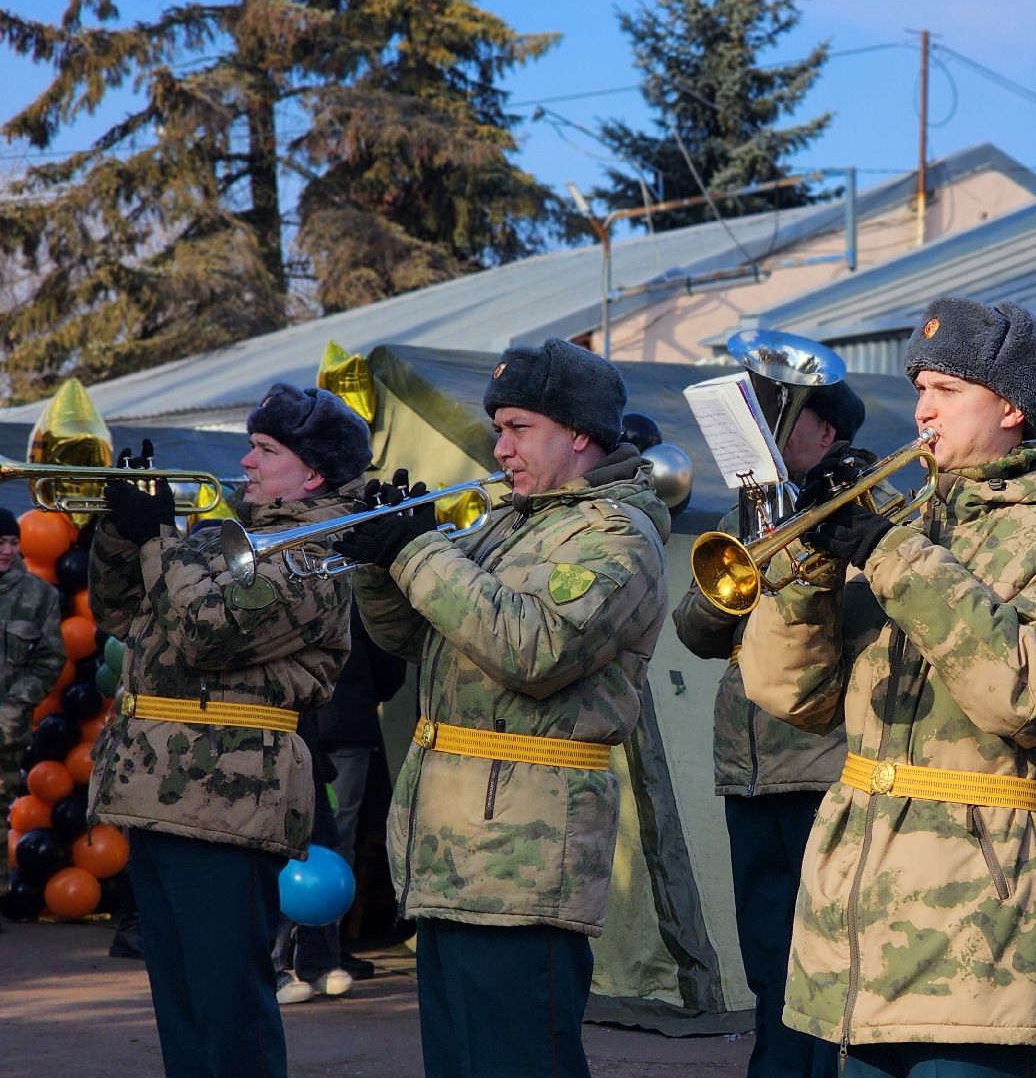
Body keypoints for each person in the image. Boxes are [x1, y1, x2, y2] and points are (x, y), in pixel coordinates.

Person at [738, 296, 1036, 1076]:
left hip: (978, 931)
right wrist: (809, 573)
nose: (921, 411)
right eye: (918, 390)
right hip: (858, 921)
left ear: (1012, 406)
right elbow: (792, 697)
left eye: (945, 392)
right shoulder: (911, 520)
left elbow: (1027, 697)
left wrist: (889, 552)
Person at [340, 338, 669, 1078]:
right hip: (453, 853)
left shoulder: (618, 534)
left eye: (519, 428)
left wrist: (417, 553)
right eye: (499, 429)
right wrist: (378, 563)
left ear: (579, 432)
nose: (501, 447)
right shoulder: (510, 521)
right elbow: (413, 640)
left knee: (520, 1061)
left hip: (526, 863)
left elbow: (533, 649)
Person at [88, 386, 370, 1078]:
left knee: (227, 1012)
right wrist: (123, 531)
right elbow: (126, 616)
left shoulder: (315, 552)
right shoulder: (228, 534)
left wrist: (160, 535)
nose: (244, 460)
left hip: (227, 799)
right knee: (182, 1006)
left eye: (266, 450)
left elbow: (202, 631)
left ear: (313, 473)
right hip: (158, 788)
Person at [672, 378, 869, 1078]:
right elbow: (693, 632)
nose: (770, 436)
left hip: (825, 765)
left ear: (830, 436)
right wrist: (749, 564)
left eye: (789, 420)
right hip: (750, 770)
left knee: (826, 956)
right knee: (766, 956)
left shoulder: (865, 508)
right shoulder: (748, 514)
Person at [274, 608, 407, 1004]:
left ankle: (320, 960)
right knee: (279, 846)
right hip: (284, 726)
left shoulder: (350, 586)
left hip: (331, 727)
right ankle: (275, 964)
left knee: (329, 846)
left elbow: (388, 656)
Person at [0, 506, 66, 799]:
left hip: (6, 736)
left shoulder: (39, 595)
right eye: (0, 542)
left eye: (13, 543)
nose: (7, 550)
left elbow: (48, 659)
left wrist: (12, 709)